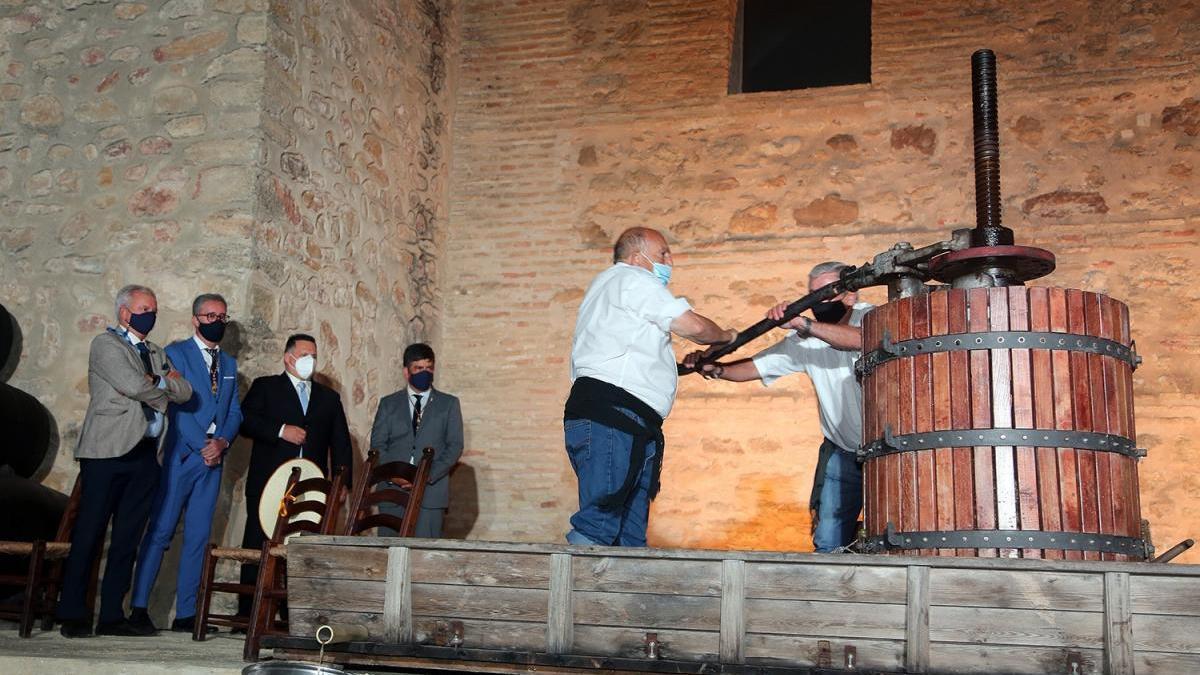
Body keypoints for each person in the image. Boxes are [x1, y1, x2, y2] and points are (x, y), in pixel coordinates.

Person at [564, 227, 738, 547]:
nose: (670, 261)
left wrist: (683, 366)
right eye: (663, 254)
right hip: (615, 417)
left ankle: (620, 595)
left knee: (628, 535)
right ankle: (570, 595)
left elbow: (634, 352)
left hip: (625, 419)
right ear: (635, 257)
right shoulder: (632, 279)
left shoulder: (608, 289)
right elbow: (695, 327)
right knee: (599, 523)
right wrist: (727, 336)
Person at [685, 261, 870, 553]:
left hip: (888, 454)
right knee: (829, 542)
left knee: (893, 536)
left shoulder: (871, 317)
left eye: (827, 293)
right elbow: (754, 368)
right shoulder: (803, 341)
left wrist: (803, 323)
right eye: (813, 295)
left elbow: (862, 341)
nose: (819, 302)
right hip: (842, 451)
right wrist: (715, 369)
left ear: (850, 293)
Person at [56, 285, 193, 638]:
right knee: (90, 533)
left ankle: (112, 615)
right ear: (124, 312)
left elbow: (187, 391)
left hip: (146, 454)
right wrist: (162, 387)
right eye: (144, 308)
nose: (151, 314)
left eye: (154, 308)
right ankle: (73, 613)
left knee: (128, 538)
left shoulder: (155, 351)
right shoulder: (106, 345)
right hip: (107, 452)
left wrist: (157, 380)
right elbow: (134, 386)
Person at [128, 293, 242, 634]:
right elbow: (173, 407)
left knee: (198, 536)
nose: (216, 322)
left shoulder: (231, 365)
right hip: (182, 455)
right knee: (161, 531)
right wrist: (201, 445)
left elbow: (234, 410)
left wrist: (221, 442)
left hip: (213, 459)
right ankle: (137, 608)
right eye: (209, 316)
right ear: (195, 319)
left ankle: (186, 614)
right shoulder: (174, 353)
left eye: (222, 316)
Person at [237, 333, 352, 615]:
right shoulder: (266, 387)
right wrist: (280, 430)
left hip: (309, 487)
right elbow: (246, 421)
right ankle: (249, 610)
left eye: (313, 355)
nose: (309, 360)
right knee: (259, 542)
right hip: (269, 481)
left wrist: (341, 482)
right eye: (304, 354)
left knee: (300, 546)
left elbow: (341, 443)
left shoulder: (328, 398)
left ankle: (293, 613)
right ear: (289, 358)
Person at [369, 343, 464, 537]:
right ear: (406, 372)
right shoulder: (388, 404)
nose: (425, 373)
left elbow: (454, 446)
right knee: (389, 554)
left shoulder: (449, 404)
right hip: (391, 493)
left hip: (430, 495)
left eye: (429, 368)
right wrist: (394, 474)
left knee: (424, 557)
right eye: (419, 368)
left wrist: (425, 476)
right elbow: (378, 445)